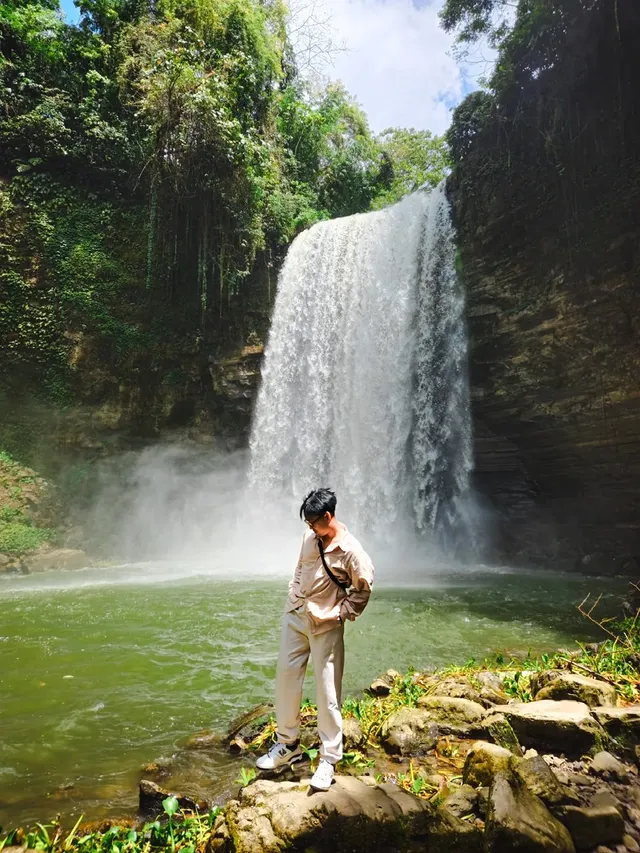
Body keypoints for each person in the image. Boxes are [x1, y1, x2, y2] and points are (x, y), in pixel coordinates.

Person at [256, 488, 375, 791]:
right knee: (285, 678)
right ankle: (287, 744)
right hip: (296, 617)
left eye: (314, 523)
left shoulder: (351, 551)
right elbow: (299, 569)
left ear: (328, 516)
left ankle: (329, 759)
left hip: (325, 625)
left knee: (327, 692)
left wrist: (340, 614)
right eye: (307, 524)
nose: (310, 529)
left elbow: (363, 589)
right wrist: (293, 595)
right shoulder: (309, 538)